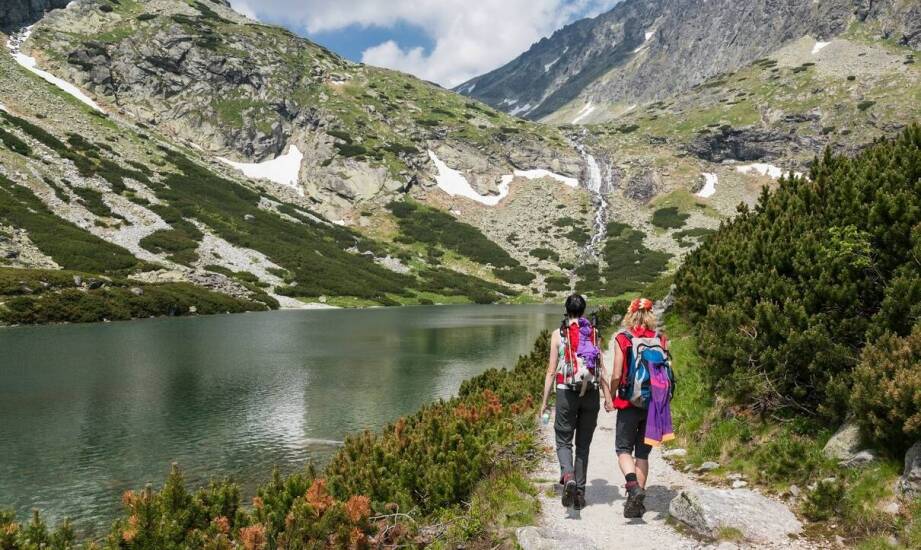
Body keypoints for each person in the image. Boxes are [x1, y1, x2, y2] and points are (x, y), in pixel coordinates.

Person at [539, 294, 609, 510]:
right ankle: (579, 494)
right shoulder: (593, 332)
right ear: (584, 310)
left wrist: (544, 402)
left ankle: (567, 475)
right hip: (591, 393)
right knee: (583, 446)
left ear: (566, 310)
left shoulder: (558, 334)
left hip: (566, 392)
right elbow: (601, 368)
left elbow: (551, 371)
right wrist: (608, 397)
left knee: (563, 439)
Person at [604, 297, 669, 518]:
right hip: (654, 405)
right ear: (651, 316)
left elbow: (615, 374)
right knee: (642, 453)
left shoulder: (623, 338)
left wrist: (610, 397)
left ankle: (633, 487)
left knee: (623, 449)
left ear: (630, 315)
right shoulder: (660, 339)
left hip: (628, 402)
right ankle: (637, 505)